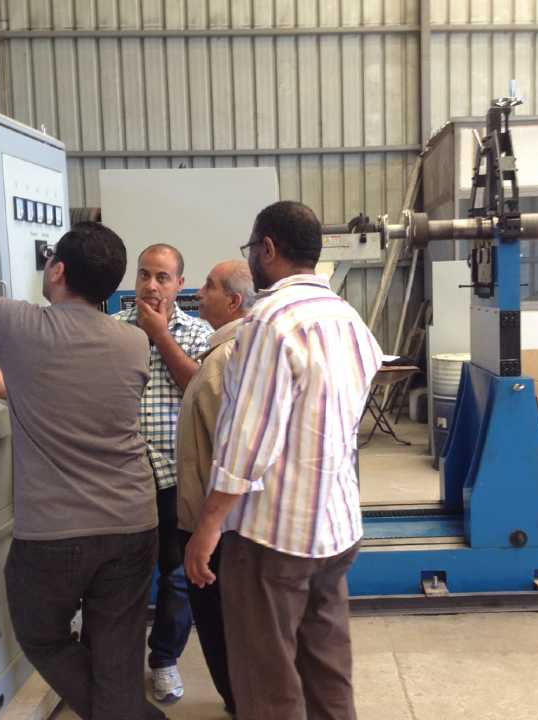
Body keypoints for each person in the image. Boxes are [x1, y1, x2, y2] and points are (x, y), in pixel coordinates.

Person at [0, 115, 162, 720]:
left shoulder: (21, 327)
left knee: (42, 635)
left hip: (56, 537)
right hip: (133, 523)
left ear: (57, 271)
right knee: (118, 655)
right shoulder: (134, 343)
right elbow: (83, 405)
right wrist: (13, 389)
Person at [184, 201, 383, 720]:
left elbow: (245, 444)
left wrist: (208, 526)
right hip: (334, 530)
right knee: (327, 671)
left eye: (252, 248)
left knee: (267, 685)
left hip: (272, 540)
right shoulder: (348, 318)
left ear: (267, 249)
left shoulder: (269, 322)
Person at [115, 244, 212, 703]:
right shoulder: (113, 330)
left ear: (179, 285)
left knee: (176, 577)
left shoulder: (198, 333)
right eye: (144, 275)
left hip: (176, 475)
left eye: (162, 277)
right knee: (119, 577)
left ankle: (164, 660)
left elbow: (198, 386)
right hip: (121, 478)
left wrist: (160, 335)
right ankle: (116, 665)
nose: (151, 286)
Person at [175, 260, 256, 716]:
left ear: (234, 301)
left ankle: (242, 705)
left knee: (222, 627)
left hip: (218, 528)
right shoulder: (222, 352)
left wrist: (206, 529)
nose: (199, 293)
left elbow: (233, 455)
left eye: (209, 286)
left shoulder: (228, 359)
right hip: (213, 521)